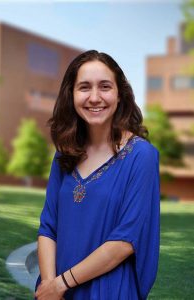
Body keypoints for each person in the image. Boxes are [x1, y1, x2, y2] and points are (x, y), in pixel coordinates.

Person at [34, 50, 160, 300]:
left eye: (105, 86)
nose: (94, 97)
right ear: (71, 94)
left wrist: (60, 284)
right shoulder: (64, 155)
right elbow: (48, 227)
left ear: (120, 94)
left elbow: (125, 241)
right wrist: (48, 285)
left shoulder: (142, 156)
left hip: (109, 291)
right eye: (84, 87)